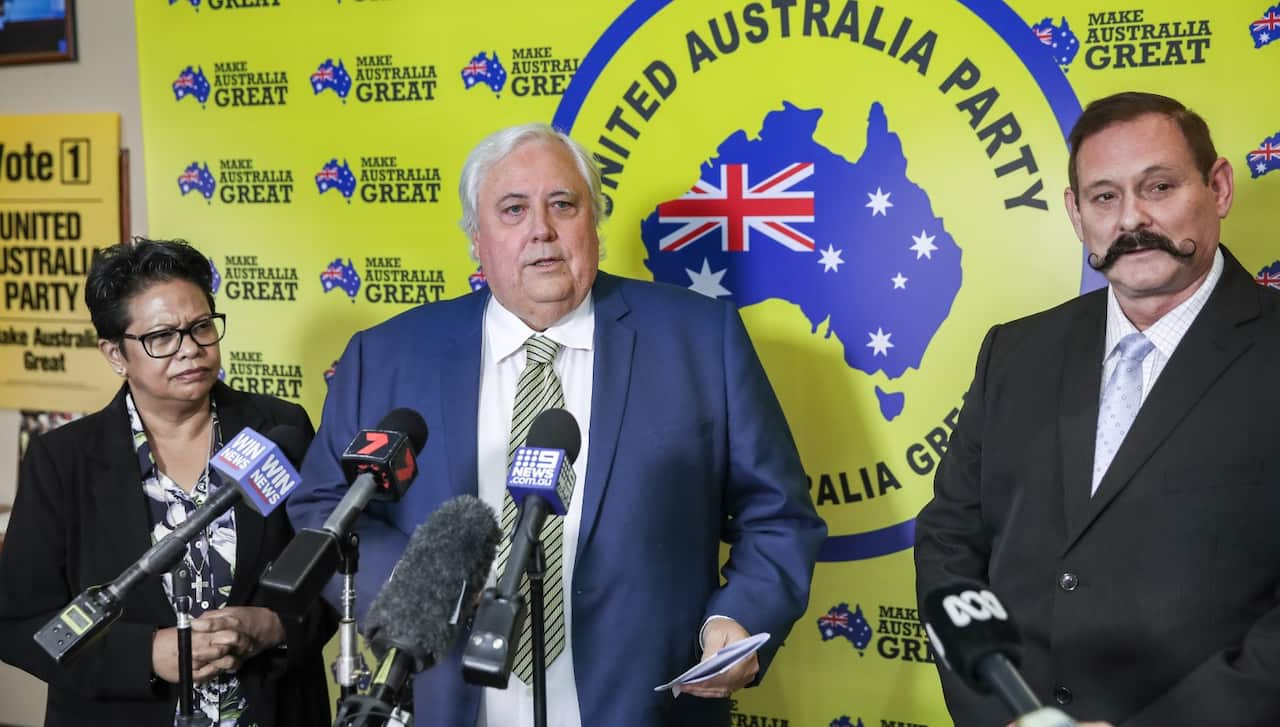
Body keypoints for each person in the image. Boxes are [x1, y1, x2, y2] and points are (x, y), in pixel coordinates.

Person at [287, 123, 827, 727]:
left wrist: (740, 618)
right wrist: (420, 595)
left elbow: (777, 514)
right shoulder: (386, 355)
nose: (540, 229)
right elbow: (324, 508)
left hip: (643, 702)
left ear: (592, 222)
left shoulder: (700, 341)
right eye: (513, 209)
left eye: (562, 205)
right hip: (446, 698)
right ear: (476, 239)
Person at [915, 91, 1280, 726]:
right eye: (1104, 197)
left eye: (1159, 186)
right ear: (1075, 213)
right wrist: (1005, 713)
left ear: (1218, 188)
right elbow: (950, 539)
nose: (1131, 218)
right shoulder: (1015, 350)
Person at [0, 239, 337, 727]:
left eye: (201, 327)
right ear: (115, 353)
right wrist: (148, 654)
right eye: (162, 337)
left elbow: (330, 574)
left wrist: (274, 626)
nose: (191, 350)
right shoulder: (62, 460)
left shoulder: (277, 429)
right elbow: (19, 625)